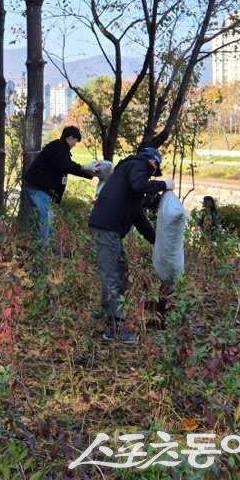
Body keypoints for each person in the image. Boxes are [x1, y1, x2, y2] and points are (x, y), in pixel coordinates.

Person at [88, 146, 174, 344]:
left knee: (120, 272)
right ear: (153, 162)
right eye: (155, 169)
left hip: (108, 229)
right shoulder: (138, 165)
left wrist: (157, 242)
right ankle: (116, 326)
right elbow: (139, 185)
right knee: (113, 275)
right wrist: (163, 184)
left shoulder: (129, 179)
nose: (153, 173)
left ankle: (108, 316)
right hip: (106, 228)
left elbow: (139, 218)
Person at [24, 126, 96, 245]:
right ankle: (43, 252)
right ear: (70, 138)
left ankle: (45, 248)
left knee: (48, 220)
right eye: (75, 141)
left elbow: (66, 166)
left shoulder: (61, 149)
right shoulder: (58, 147)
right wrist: (85, 168)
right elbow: (66, 166)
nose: (74, 145)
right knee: (45, 220)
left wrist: (89, 174)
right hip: (39, 189)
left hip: (43, 190)